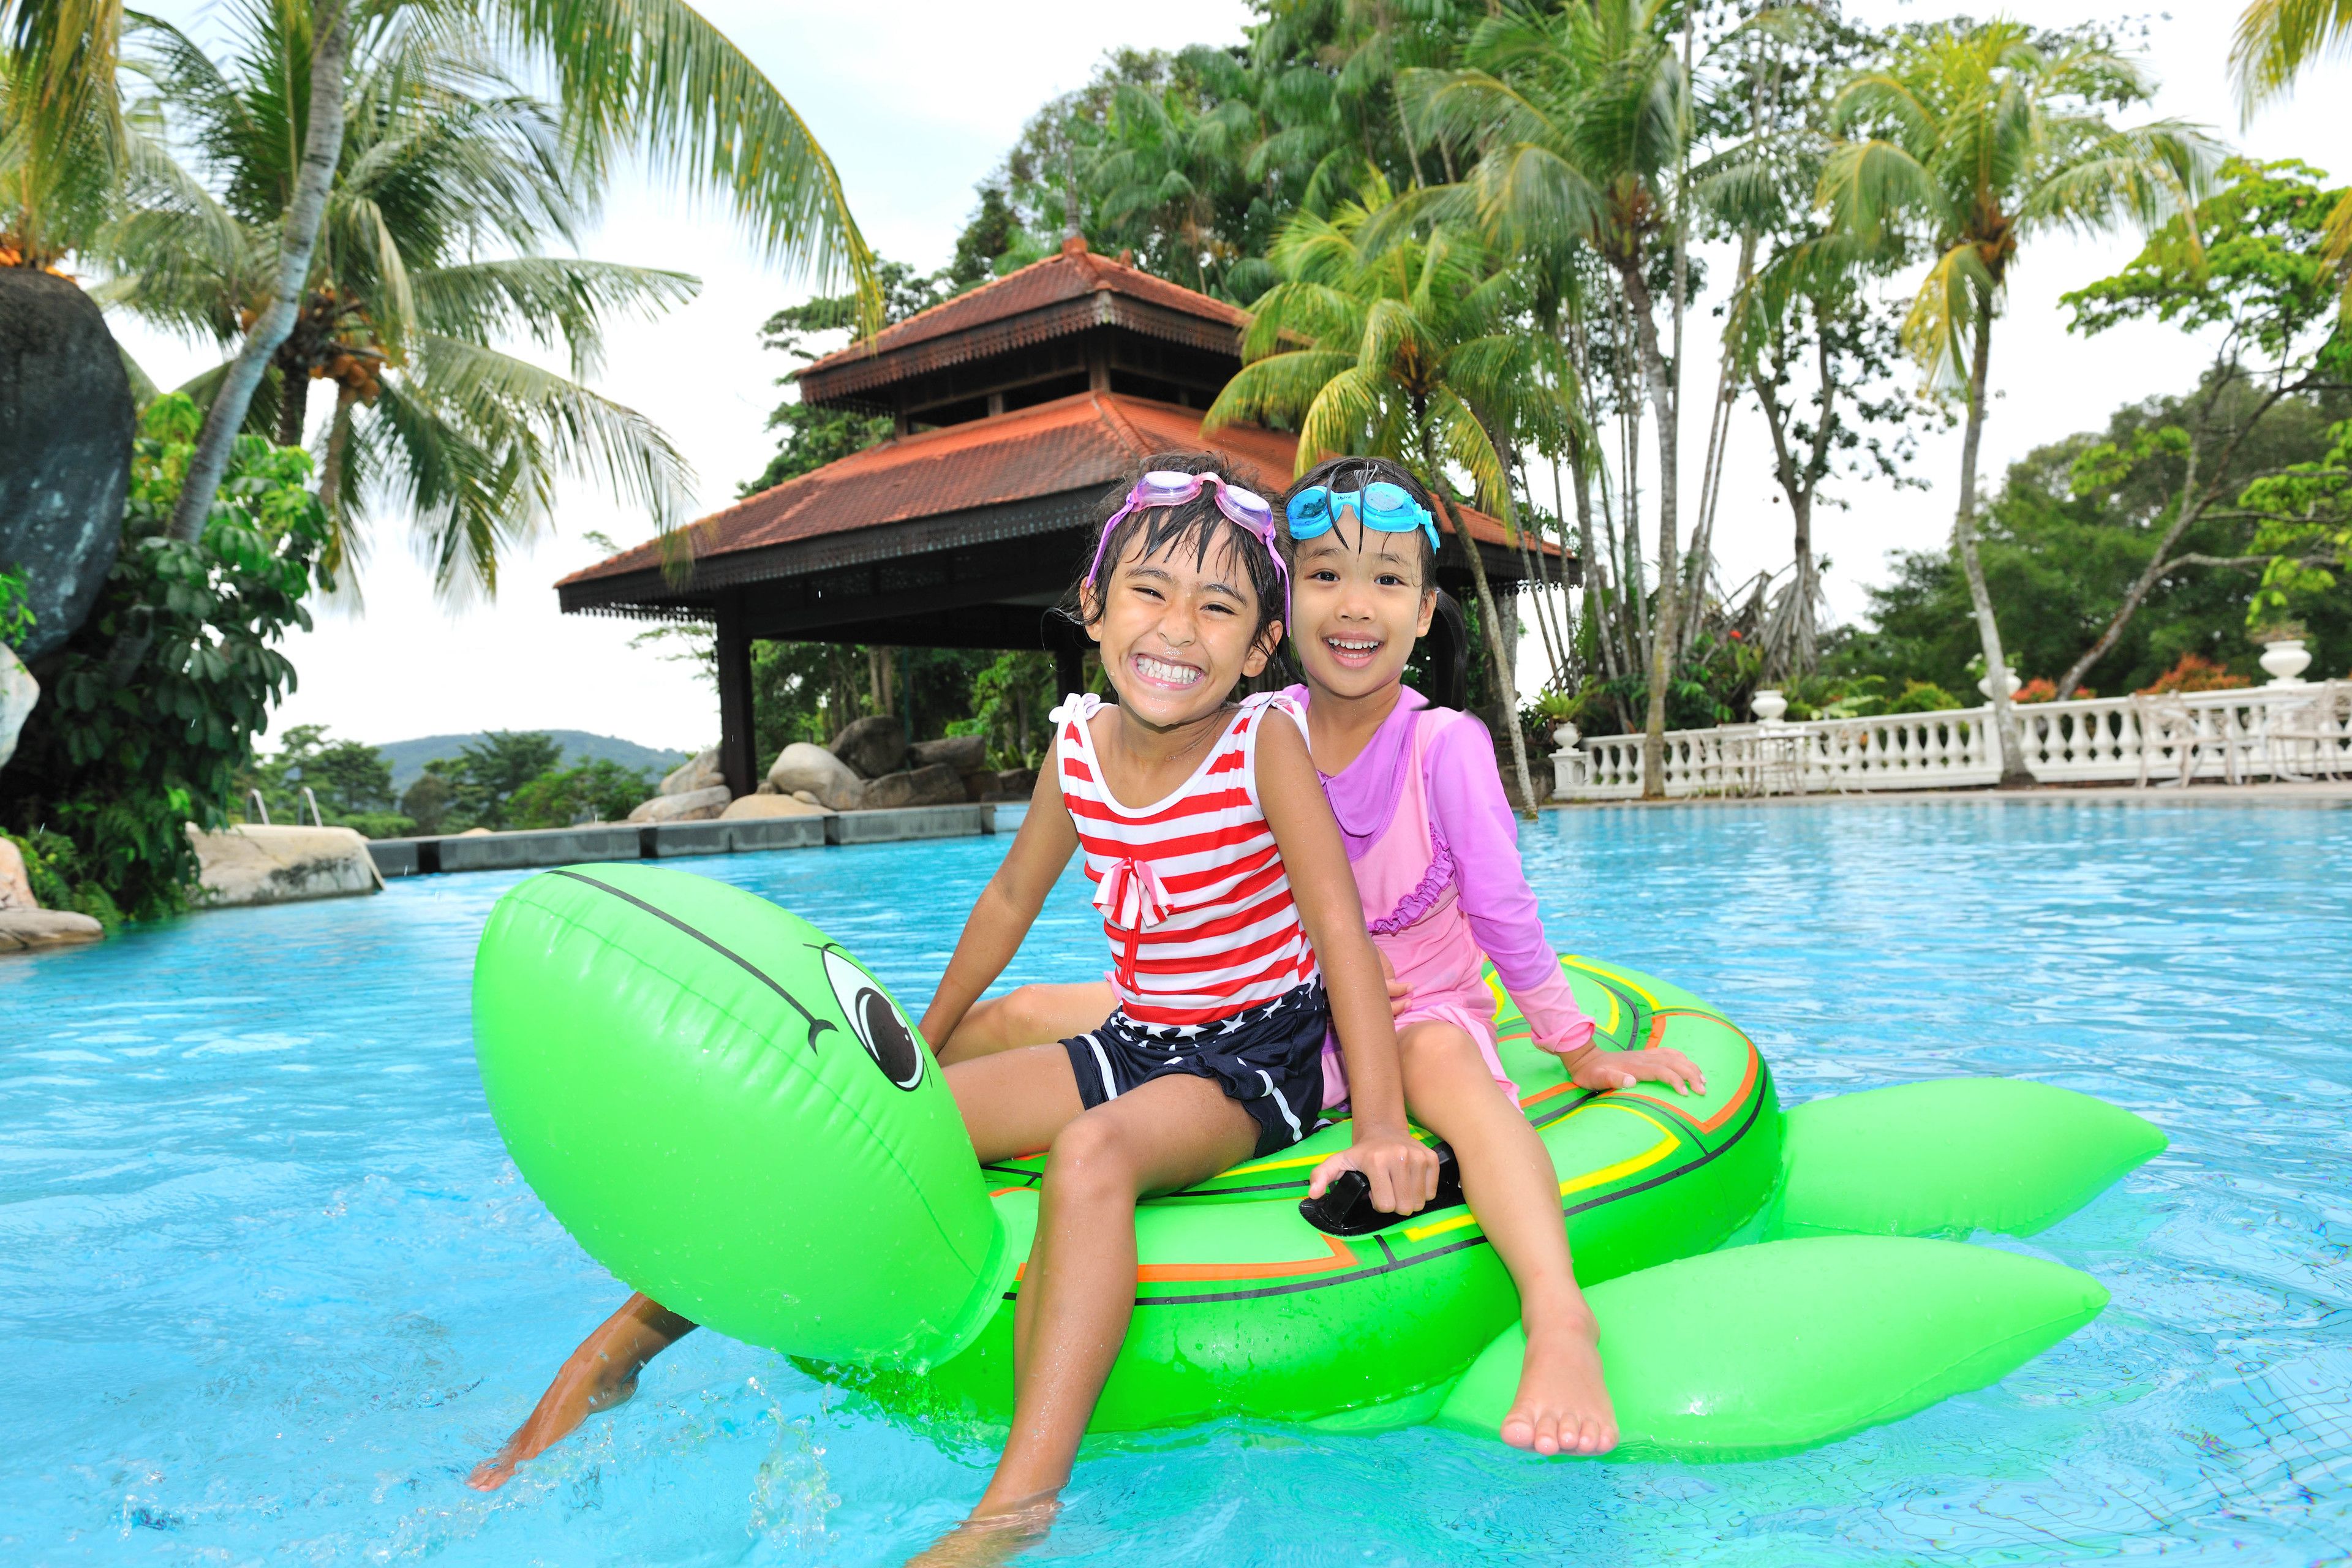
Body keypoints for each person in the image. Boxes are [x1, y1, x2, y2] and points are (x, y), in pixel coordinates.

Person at [471, 454, 1436, 1562]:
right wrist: (922, 1050)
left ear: (1261, 645)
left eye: (1219, 607)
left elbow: (1340, 933)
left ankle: (1015, 1509)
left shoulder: (1260, 744)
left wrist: (1379, 1125)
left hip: (1254, 1053)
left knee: (1093, 1156)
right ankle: (621, 1350)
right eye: (1149, 593)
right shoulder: (1076, 747)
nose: (1179, 628)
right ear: (1094, 606)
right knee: (877, 1133)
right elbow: (1010, 896)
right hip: (1137, 1032)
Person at [941, 456, 1705, 1459]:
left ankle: (1560, 1318)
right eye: (1327, 576)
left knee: (1444, 1063)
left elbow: (1505, 913)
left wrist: (1575, 1047)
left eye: (1388, 581)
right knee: (1037, 1009)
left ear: (1426, 612)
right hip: (1281, 1006)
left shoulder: (1446, 747)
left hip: (1407, 1008)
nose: (1355, 606)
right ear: (1284, 609)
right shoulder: (1258, 727)